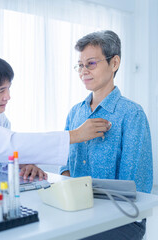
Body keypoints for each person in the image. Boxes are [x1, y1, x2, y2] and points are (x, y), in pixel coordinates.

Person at [0, 54, 110, 181]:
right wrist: (75, 135)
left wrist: (24, 163)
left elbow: (4, 155)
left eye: (8, 88)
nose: (8, 96)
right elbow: (4, 144)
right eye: (1, 90)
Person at [60, 30, 152, 240]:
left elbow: (133, 187)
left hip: (123, 218)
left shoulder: (132, 114)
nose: (83, 71)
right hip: (80, 213)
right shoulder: (75, 112)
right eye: (80, 65)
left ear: (114, 63)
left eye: (91, 63)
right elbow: (65, 165)